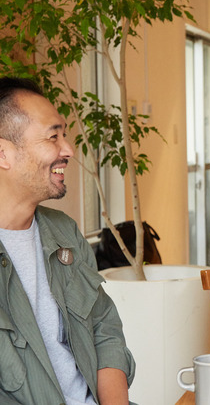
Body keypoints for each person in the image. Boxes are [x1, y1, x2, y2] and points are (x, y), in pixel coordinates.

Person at [0, 77, 135, 404]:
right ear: (3, 154)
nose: (68, 150)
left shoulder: (64, 233)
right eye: (53, 136)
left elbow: (105, 330)